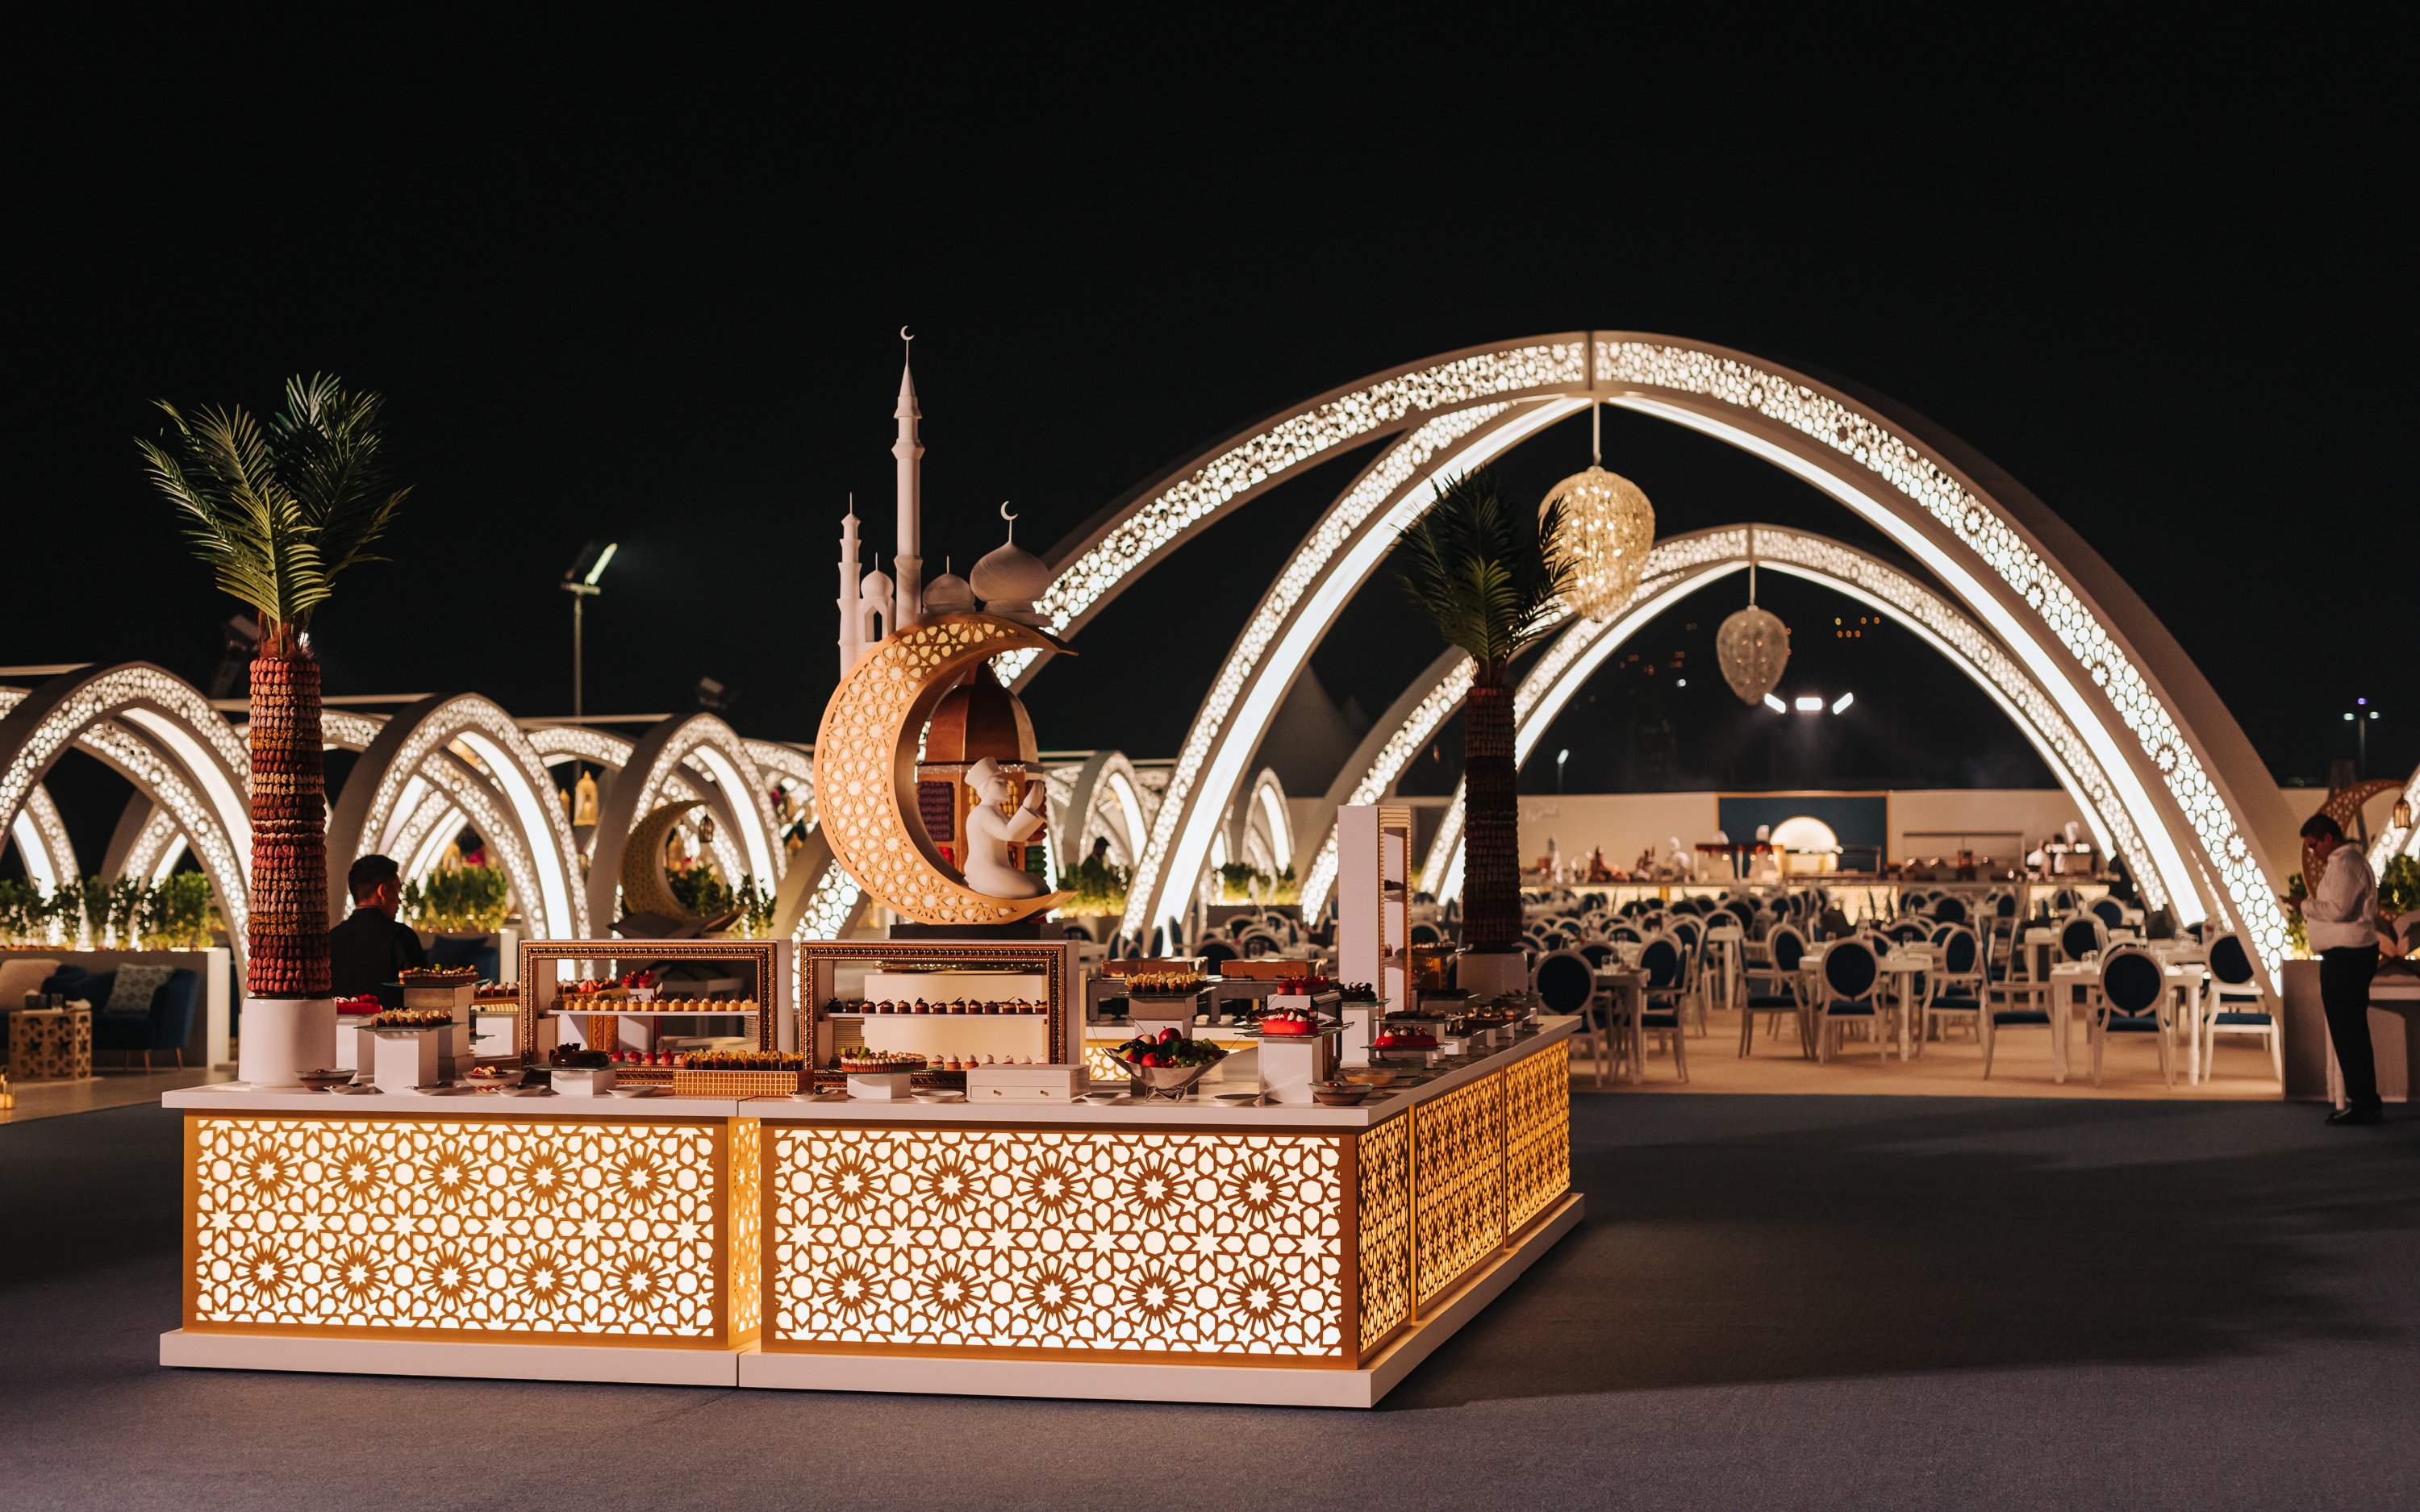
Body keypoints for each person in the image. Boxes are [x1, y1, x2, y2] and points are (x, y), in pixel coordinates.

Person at [2284, 814, 2380, 1126]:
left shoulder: (2345, 863)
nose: (2313, 853)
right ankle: (2364, 1101)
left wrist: (2304, 905)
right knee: (2349, 1030)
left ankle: (2364, 1103)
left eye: (2314, 846)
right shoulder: (2345, 862)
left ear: (2328, 838)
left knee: (2348, 1030)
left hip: (2347, 956)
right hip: (2348, 955)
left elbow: (2340, 911)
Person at [329, 853, 429, 998]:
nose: (399, 902)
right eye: (397, 891)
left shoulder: (330, 940)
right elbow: (425, 996)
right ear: (382, 891)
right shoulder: (401, 937)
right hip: (391, 1021)